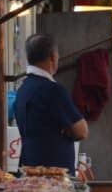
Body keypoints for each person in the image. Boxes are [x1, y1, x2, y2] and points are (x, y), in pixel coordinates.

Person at [14, 34, 88, 175]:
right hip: (53, 180)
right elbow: (81, 131)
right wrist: (65, 129)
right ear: (52, 57)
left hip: (28, 172)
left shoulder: (22, 90)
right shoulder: (53, 90)